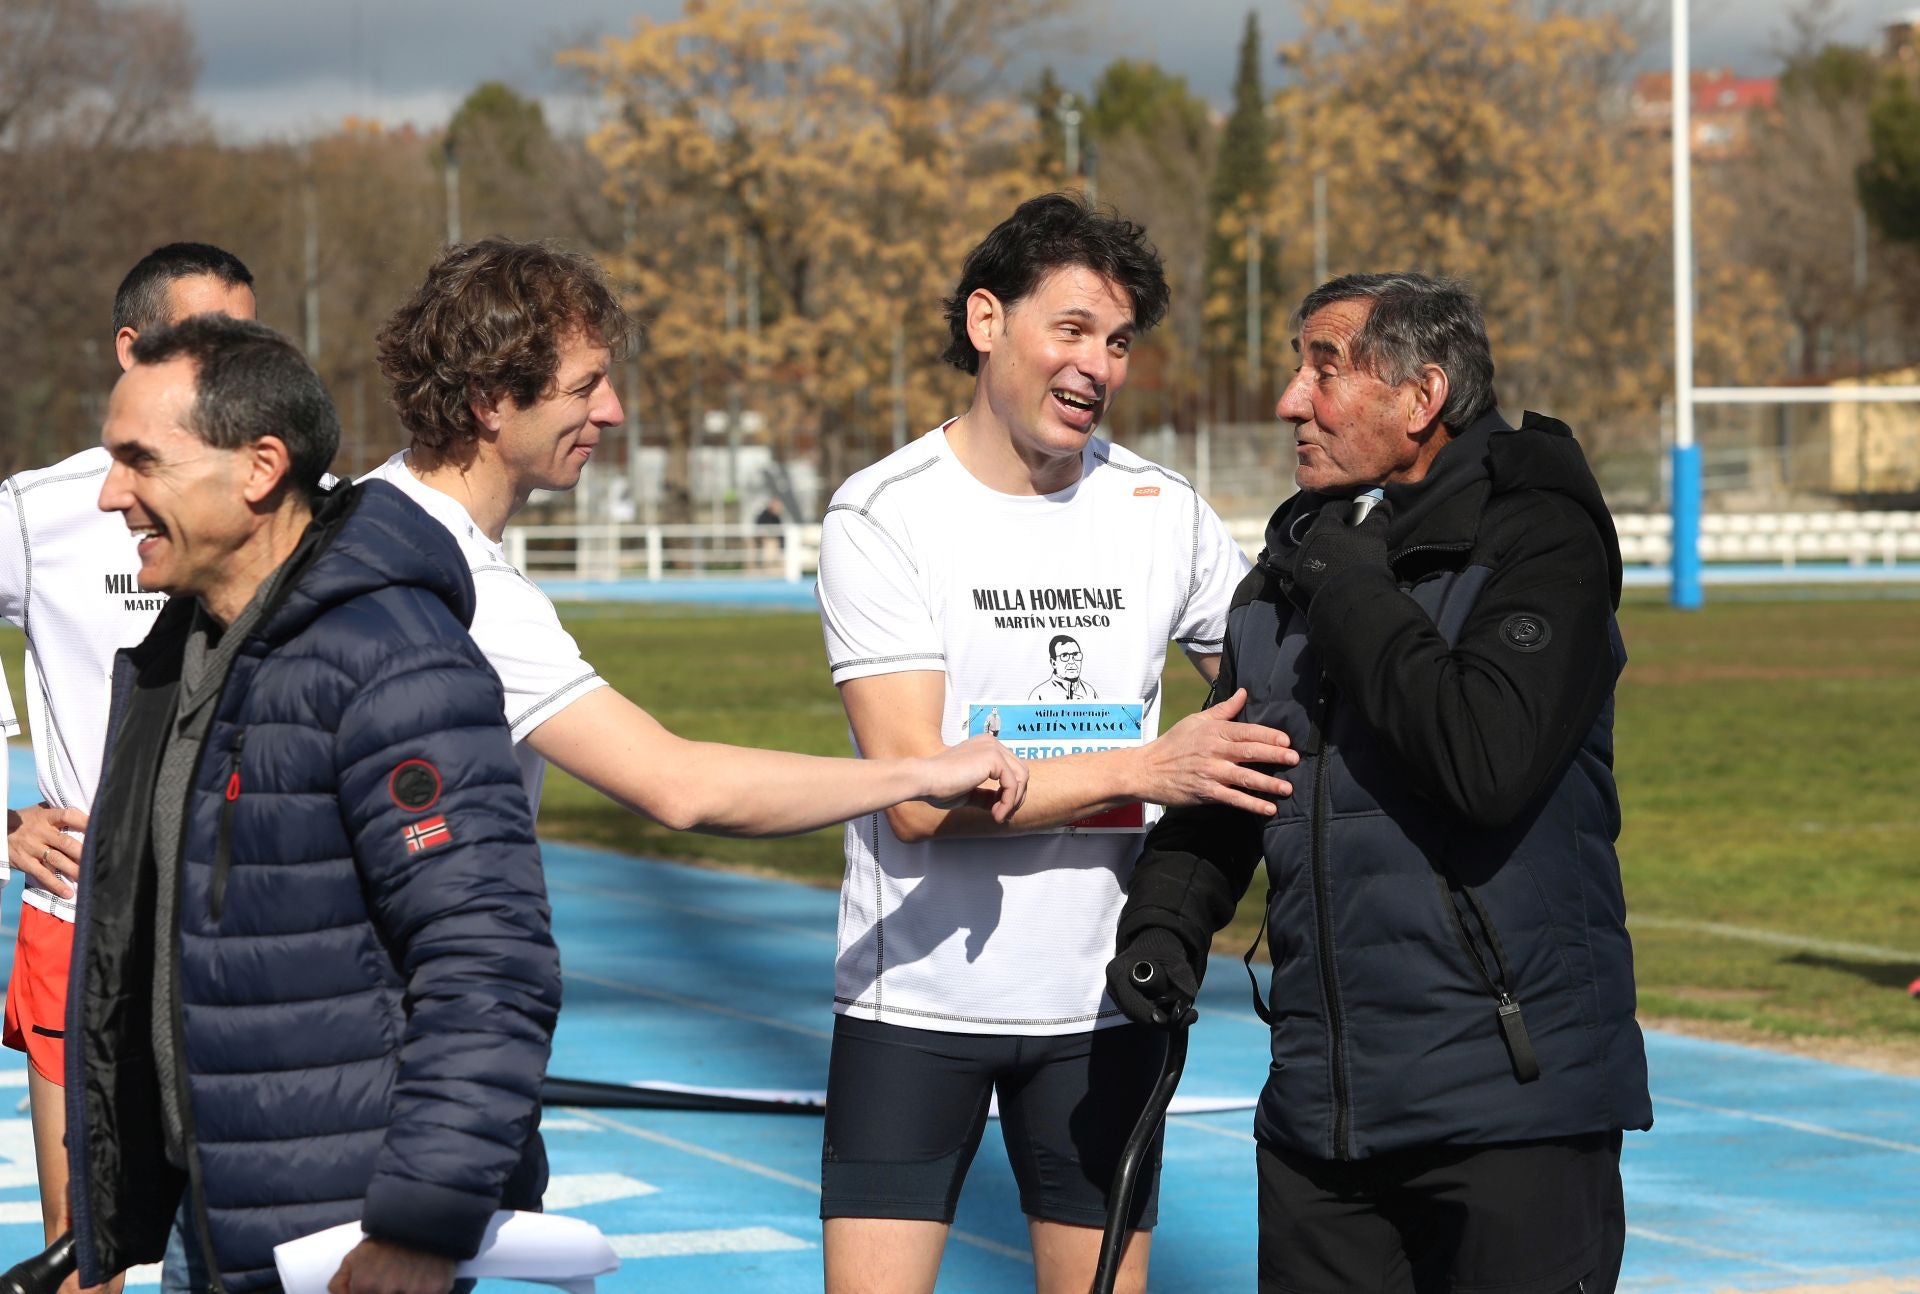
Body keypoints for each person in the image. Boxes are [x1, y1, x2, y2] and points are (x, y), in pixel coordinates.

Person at [1108, 272, 1651, 1294]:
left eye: (1324, 370)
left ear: (1422, 396)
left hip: (1511, 1111)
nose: (1290, 401)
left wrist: (1351, 585)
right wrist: (1165, 921)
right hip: (1321, 1120)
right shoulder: (1297, 565)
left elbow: (1484, 760)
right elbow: (1235, 767)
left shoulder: (1540, 541)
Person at [811, 192, 1300, 1294]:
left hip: (1105, 1003)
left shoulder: (1161, 510)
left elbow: (1277, 694)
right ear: (987, 321)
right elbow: (915, 797)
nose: (1098, 366)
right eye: (1072, 328)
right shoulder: (883, 515)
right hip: (916, 1005)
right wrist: (1146, 768)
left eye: (1118, 342)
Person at [66, 314, 561, 1294]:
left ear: (260, 468)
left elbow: (487, 957)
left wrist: (419, 1225)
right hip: (219, 1214)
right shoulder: (181, 651)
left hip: (348, 1238)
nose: (109, 494)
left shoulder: (389, 657)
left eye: (140, 461)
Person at [366, 237, 1025, 836]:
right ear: (489, 400)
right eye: (584, 386)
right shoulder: (465, 589)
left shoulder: (365, 511)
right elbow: (680, 787)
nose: (613, 410)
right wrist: (919, 774)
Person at [0, 242, 256, 1288]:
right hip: (85, 918)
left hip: (247, 921)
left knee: (251, 1237)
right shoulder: (43, 509)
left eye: (243, 339)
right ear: (129, 348)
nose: (226, 360)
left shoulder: (293, 498)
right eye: (202, 336)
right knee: (86, 1243)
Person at [1027, 634, 1095, 700]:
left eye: (1075, 654)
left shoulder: (1090, 692)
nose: (1072, 661)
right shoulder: (1039, 695)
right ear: (1053, 663)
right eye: (1064, 656)